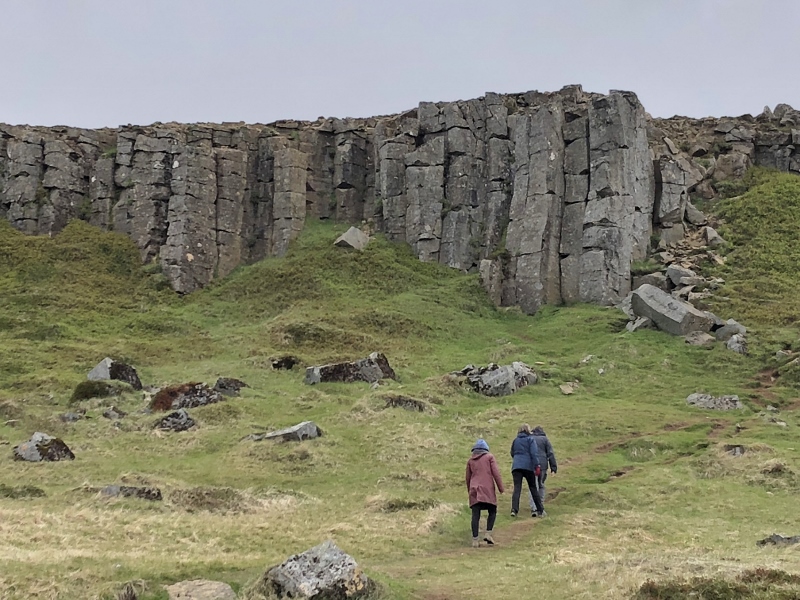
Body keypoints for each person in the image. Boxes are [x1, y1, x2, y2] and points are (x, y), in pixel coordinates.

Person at [465, 438, 505, 548]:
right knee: (492, 510)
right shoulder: (489, 457)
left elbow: (468, 478)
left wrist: (469, 490)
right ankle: (488, 533)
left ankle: (475, 540)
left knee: (475, 515)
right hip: (487, 489)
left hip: (474, 490)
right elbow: (496, 473)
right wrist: (501, 488)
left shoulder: (470, 461)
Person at [510, 424, 545, 518]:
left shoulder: (516, 440)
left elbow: (512, 453)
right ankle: (540, 510)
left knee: (517, 488)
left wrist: (517, 460)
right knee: (533, 488)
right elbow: (534, 453)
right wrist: (537, 465)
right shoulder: (530, 440)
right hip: (528, 467)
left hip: (516, 467)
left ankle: (514, 510)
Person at [528, 425, 558, 516]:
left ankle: (534, 508)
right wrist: (553, 468)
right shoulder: (545, 439)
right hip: (543, 466)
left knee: (533, 486)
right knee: (541, 485)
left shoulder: (530, 439)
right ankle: (540, 505)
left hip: (532, 465)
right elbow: (550, 453)